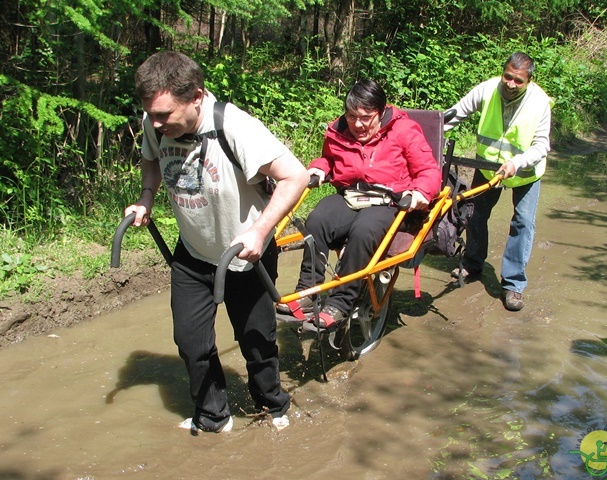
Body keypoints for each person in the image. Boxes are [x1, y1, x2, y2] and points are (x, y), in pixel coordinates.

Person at [124, 51, 309, 433]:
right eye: (151, 116)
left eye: (164, 116)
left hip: (244, 254)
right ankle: (212, 417)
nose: (156, 125)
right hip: (192, 253)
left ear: (196, 96)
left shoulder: (235, 126)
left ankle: (273, 405)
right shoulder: (154, 121)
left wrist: (260, 232)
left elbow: (296, 176)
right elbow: (151, 160)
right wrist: (146, 198)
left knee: (256, 341)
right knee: (191, 343)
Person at [277, 79, 442, 328]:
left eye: (366, 117)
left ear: (381, 111)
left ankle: (341, 302)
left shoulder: (404, 130)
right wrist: (319, 169)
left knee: (364, 230)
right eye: (352, 116)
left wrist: (420, 193)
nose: (357, 124)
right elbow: (328, 160)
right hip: (350, 196)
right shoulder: (337, 130)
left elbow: (428, 170)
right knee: (317, 219)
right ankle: (307, 292)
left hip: (388, 201)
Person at [444, 52, 553, 311]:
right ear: (502, 72)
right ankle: (472, 263)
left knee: (523, 223)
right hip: (488, 167)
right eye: (507, 76)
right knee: (475, 214)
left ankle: (513, 285)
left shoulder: (540, 103)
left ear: (529, 81)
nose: (510, 84)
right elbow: (455, 114)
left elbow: (542, 144)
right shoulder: (487, 89)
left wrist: (517, 163)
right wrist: (428, 129)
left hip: (524, 172)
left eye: (518, 80)